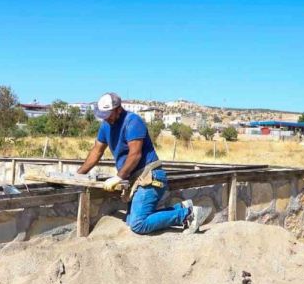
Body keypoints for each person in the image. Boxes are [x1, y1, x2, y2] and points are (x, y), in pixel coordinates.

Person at [78, 92, 211, 235]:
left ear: (118, 109)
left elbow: (135, 154)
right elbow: (96, 152)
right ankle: (180, 208)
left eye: (108, 114)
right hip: (135, 177)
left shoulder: (132, 121)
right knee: (130, 220)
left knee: (138, 224)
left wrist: (119, 176)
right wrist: (78, 175)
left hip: (149, 176)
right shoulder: (106, 126)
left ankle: (188, 215)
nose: (106, 118)